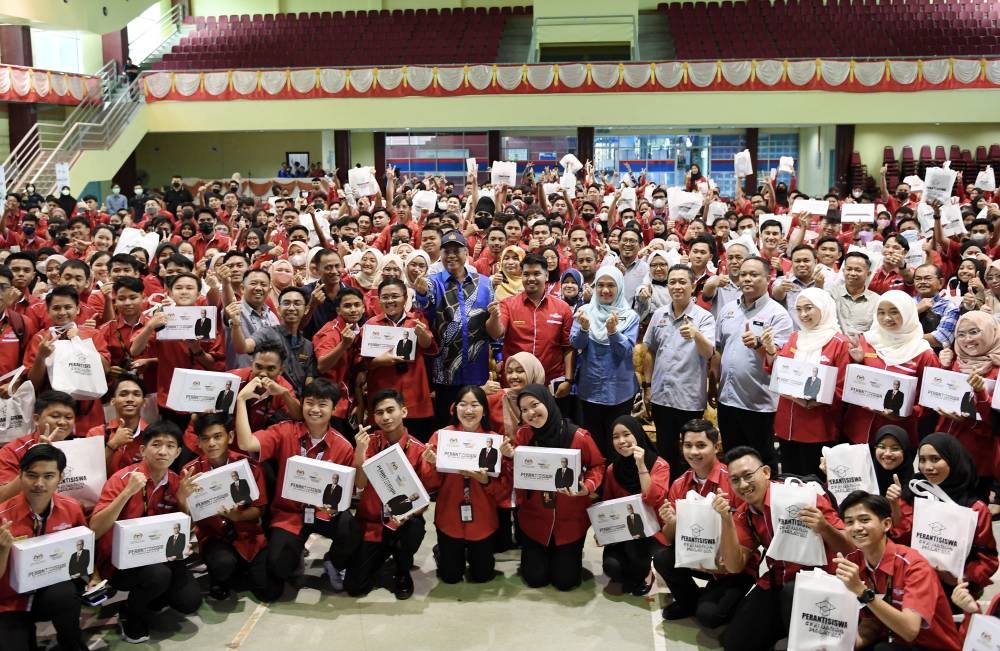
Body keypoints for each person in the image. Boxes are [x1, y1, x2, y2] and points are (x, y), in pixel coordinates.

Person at [716, 446, 852, 651]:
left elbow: (850, 548)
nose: (743, 485)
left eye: (748, 475)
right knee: (734, 643)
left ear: (766, 472)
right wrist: (725, 520)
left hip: (821, 583)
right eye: (735, 480)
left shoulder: (804, 496)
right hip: (778, 581)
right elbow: (735, 567)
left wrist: (824, 527)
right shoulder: (745, 513)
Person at [234, 378, 360, 596]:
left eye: (323, 404)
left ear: (334, 408)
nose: (315, 409)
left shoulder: (343, 446)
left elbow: (347, 493)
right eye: (309, 402)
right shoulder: (284, 431)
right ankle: (295, 553)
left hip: (323, 513)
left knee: (351, 529)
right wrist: (241, 400)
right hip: (289, 514)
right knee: (278, 568)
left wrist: (334, 507)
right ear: (301, 404)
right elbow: (246, 443)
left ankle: (333, 562)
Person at [89, 421, 203, 644]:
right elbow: (95, 528)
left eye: (170, 446)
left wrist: (182, 501)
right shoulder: (122, 479)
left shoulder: (177, 482)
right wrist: (127, 493)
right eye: (156, 444)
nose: (163, 451)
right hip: (119, 562)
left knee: (189, 602)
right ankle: (131, 611)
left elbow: (186, 531)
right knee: (159, 576)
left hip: (160, 553)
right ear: (142, 450)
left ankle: (151, 598)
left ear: (178, 452)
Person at [503, 385, 605, 591]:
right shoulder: (523, 435)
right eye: (524, 410)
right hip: (535, 519)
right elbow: (517, 474)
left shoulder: (578, 436)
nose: (531, 413)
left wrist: (586, 487)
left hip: (569, 521)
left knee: (565, 582)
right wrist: (509, 457)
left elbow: (597, 465)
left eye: (535, 405)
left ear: (548, 402)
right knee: (535, 578)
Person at [833, 491, 963, 651]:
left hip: (930, 646)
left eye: (864, 520)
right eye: (849, 522)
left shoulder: (914, 565)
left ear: (886, 524)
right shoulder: (853, 562)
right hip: (889, 641)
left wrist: (862, 592)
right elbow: (870, 623)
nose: (856, 528)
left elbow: (910, 631)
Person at [654, 419, 753, 625]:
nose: (693, 452)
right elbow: (670, 538)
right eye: (688, 445)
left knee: (709, 617)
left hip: (732, 567)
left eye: (701, 445)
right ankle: (691, 601)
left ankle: (734, 601)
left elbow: (749, 535)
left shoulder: (734, 481)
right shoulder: (680, 483)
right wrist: (672, 522)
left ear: (716, 447)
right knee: (662, 558)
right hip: (697, 558)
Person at [179, 413, 280, 602]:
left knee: (270, 593)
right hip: (214, 537)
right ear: (198, 442)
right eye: (205, 438)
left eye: (218, 436)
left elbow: (260, 510)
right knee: (223, 565)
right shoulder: (189, 472)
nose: (212, 443)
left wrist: (238, 516)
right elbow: (185, 520)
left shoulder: (249, 467)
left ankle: (241, 570)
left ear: (230, 437)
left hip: (249, 536)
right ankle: (221, 576)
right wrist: (182, 498)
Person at [347, 389, 437, 599]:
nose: (385, 417)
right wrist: (360, 451)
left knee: (414, 527)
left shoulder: (418, 449)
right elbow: (359, 486)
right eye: (379, 413)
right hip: (371, 524)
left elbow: (423, 501)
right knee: (355, 587)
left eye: (390, 410)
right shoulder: (367, 442)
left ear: (403, 411)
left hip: (403, 523)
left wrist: (407, 514)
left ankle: (402, 569)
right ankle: (384, 555)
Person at [0, 445, 89, 651]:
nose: (39, 484)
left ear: (60, 477)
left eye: (48, 476)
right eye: (32, 475)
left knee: (65, 594)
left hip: (50, 591)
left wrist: (93, 578)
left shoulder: (71, 508)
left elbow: (83, 548)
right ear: (20, 475)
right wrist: (3, 550)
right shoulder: (3, 516)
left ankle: (71, 644)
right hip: (10, 601)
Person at [421, 386, 512, 584]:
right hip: (449, 517)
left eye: (475, 405)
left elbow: (503, 492)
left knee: (482, 576)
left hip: (483, 520)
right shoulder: (441, 437)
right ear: (454, 408)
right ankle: (443, 551)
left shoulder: (495, 441)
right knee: (450, 577)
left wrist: (485, 480)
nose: (468, 411)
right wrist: (431, 464)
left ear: (484, 410)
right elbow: (430, 484)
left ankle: (473, 554)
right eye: (463, 404)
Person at [714, 256, 793, 472]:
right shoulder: (728, 309)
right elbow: (719, 350)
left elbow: (779, 362)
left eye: (754, 274)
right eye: (743, 274)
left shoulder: (779, 315)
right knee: (732, 459)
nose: (747, 278)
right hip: (728, 401)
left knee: (762, 462)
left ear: (768, 278)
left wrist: (759, 344)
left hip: (759, 404)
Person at [898, 433, 998, 603]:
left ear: (953, 460)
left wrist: (961, 575)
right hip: (910, 585)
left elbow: (988, 561)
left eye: (935, 459)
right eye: (922, 460)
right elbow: (899, 539)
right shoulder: (913, 496)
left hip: (955, 594)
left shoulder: (976, 510)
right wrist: (893, 506)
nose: (927, 467)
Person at [762, 287, 850, 475]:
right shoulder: (796, 337)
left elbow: (842, 389)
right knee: (789, 481)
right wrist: (770, 350)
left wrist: (811, 401)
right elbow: (779, 372)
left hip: (818, 428)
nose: (803, 314)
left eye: (809, 308)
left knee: (814, 484)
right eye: (799, 309)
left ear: (823, 308)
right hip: (787, 425)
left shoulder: (839, 342)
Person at [642, 264, 716, 480]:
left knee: (692, 454)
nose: (677, 286)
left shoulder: (704, 318)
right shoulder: (658, 315)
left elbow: (708, 352)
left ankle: (691, 493)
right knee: (665, 453)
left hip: (688, 399)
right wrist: (647, 386)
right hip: (661, 398)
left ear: (693, 286)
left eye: (682, 281)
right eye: (672, 282)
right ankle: (668, 494)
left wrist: (696, 334)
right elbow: (649, 351)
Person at [413, 230, 494, 426]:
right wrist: (422, 293)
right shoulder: (433, 282)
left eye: (456, 250)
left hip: (477, 369)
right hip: (444, 371)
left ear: (466, 252)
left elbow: (493, 320)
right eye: (446, 251)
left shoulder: (484, 283)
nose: (450, 255)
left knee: (476, 423)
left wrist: (497, 358)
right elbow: (424, 305)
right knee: (445, 424)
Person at [845, 290, 940, 446]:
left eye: (894, 312)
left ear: (908, 313)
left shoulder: (923, 353)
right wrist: (857, 362)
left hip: (896, 437)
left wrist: (906, 413)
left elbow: (931, 399)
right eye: (881, 312)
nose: (886, 318)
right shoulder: (866, 341)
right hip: (857, 430)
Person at [570, 266, 640, 457]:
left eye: (611, 285)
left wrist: (612, 332)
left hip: (619, 391)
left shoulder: (629, 316)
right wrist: (584, 328)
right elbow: (575, 343)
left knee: (618, 444)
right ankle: (596, 483)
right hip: (589, 388)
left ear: (619, 288)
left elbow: (625, 352)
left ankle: (615, 483)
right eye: (600, 285)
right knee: (593, 443)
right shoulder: (585, 311)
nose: (605, 290)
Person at [599, 415, 668, 595]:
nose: (621, 441)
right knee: (612, 568)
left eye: (626, 434)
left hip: (651, 531)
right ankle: (635, 569)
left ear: (637, 434)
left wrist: (641, 466)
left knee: (635, 552)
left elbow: (652, 499)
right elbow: (608, 505)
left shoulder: (660, 465)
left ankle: (646, 572)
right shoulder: (613, 469)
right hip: (623, 531)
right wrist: (603, 531)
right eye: (615, 437)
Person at [935, 311, 1000, 498]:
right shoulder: (955, 362)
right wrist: (943, 369)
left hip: (979, 460)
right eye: (961, 334)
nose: (967, 340)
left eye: (974, 332)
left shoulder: (997, 370)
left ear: (990, 332)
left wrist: (979, 396)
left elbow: (994, 425)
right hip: (947, 453)